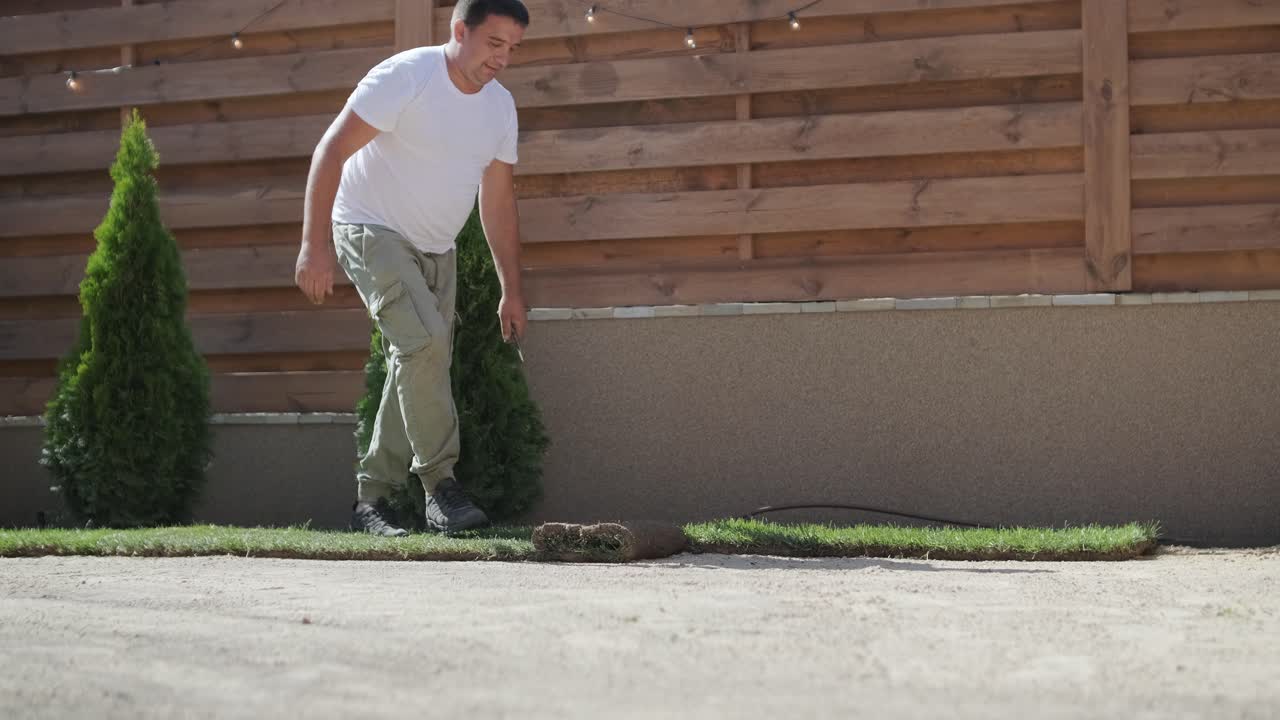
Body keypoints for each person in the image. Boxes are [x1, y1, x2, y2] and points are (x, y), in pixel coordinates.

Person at [293, 0, 530, 536]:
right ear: (459, 31)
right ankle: (440, 487)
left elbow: (497, 202)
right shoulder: (407, 76)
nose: (503, 59)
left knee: (415, 361)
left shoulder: (500, 108)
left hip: (437, 249)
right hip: (369, 227)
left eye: (513, 48)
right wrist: (313, 245)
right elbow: (331, 151)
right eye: (494, 43)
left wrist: (510, 289)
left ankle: (370, 501)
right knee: (424, 346)